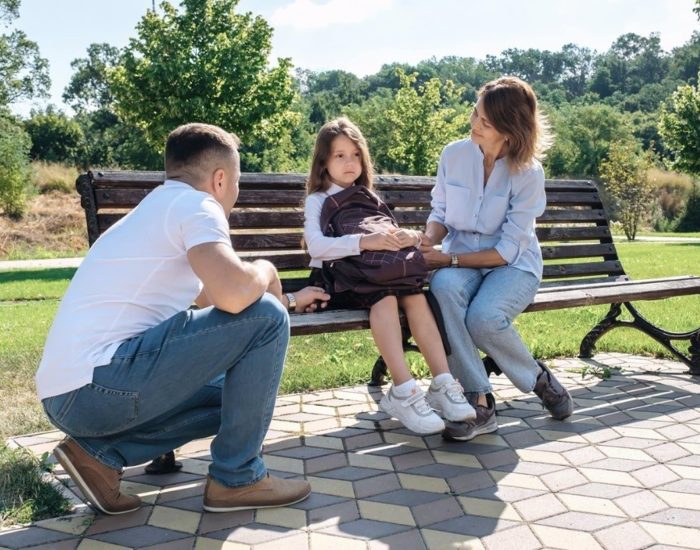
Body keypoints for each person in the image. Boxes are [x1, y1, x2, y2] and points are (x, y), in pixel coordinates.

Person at [36, 122, 330, 515]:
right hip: (101, 385)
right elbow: (240, 299)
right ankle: (238, 478)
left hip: (71, 396)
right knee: (268, 315)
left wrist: (285, 299)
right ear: (221, 179)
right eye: (237, 182)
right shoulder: (197, 205)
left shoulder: (154, 210)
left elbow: (221, 306)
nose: (236, 194)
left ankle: (100, 457)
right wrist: (267, 270)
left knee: (241, 395)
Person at [420, 76, 574, 442]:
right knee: (442, 290)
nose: (474, 124)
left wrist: (449, 260)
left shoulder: (528, 173)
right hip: (459, 254)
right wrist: (427, 242)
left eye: (485, 122)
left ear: (509, 130)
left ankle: (536, 378)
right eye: (475, 113)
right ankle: (478, 401)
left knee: (485, 318)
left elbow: (507, 250)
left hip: (513, 265)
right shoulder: (453, 155)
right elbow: (440, 212)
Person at [303, 117, 475, 435]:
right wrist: (363, 243)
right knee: (383, 297)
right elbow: (315, 246)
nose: (349, 162)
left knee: (415, 295)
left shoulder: (369, 196)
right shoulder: (319, 200)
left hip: (378, 275)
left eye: (355, 154)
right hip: (340, 279)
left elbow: (390, 235)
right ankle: (403, 389)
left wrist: (409, 236)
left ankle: (442, 381)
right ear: (323, 162)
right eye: (339, 155)